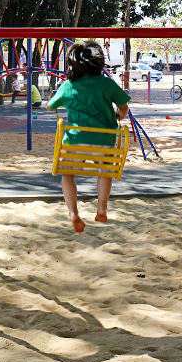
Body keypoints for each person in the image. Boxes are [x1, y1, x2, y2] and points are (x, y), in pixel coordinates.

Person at [46, 41, 131, 233]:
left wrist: (52, 101)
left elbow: (51, 106)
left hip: (76, 141)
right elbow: (124, 107)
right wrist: (118, 116)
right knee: (105, 172)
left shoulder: (69, 86)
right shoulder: (106, 83)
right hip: (105, 141)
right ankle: (101, 207)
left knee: (67, 174)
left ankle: (74, 214)